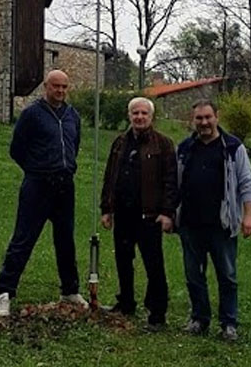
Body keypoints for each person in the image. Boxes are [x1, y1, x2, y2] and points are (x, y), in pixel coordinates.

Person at [0, 69, 86, 317]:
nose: (60, 91)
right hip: (38, 185)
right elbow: (17, 149)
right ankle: (5, 291)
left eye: (64, 87)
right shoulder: (32, 114)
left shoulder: (72, 116)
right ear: (46, 86)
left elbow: (74, 145)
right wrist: (36, 168)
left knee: (65, 239)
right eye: (56, 86)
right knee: (24, 238)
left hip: (65, 185)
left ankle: (70, 290)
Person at [176, 99, 251, 342]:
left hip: (222, 225)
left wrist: (249, 215)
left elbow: (247, 181)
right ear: (193, 120)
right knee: (193, 275)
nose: (204, 123)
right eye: (199, 118)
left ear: (216, 117)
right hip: (190, 223)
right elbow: (174, 182)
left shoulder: (232, 147)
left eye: (208, 117)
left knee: (227, 276)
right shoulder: (185, 148)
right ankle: (199, 319)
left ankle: (228, 323)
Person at [99, 96, 177, 329]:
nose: (139, 117)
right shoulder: (120, 143)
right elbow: (110, 176)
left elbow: (171, 181)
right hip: (123, 213)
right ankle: (126, 303)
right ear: (129, 115)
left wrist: (167, 212)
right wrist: (107, 209)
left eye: (144, 113)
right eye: (135, 113)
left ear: (151, 117)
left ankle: (157, 314)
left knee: (154, 265)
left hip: (149, 215)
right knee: (123, 260)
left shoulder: (163, 144)